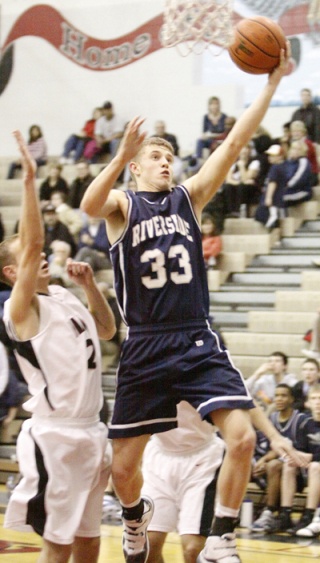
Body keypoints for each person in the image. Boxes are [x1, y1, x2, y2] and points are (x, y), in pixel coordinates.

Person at [81, 45, 300, 563]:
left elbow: (235, 142)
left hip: (196, 336)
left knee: (243, 438)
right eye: (156, 156)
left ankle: (221, 537)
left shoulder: (188, 198)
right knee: (122, 470)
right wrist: (117, 156)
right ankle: (135, 520)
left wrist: (271, 84)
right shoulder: (122, 206)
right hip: (146, 345)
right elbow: (90, 203)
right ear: (136, 167)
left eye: (169, 156)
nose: (166, 162)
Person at [0, 130, 116, 563]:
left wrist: (89, 286)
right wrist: (31, 181)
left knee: (88, 538)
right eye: (29, 256)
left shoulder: (63, 295)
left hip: (91, 429)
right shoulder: (19, 311)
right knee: (58, 543)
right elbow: (30, 244)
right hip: (56, 435)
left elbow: (106, 332)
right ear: (13, 272)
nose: (42, 253)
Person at [142, 401, 225, 563]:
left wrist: (273, 436)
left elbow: (245, 406)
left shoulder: (213, 375)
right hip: (158, 457)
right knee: (145, 548)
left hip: (203, 458)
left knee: (193, 548)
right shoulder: (142, 376)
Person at [250, 384, 308, 533]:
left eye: (283, 395)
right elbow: (272, 449)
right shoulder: (272, 418)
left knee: (274, 465)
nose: (279, 399)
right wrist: (263, 461)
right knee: (266, 465)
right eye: (277, 395)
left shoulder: (301, 420)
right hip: (280, 470)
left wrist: (270, 460)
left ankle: (269, 511)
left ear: (292, 399)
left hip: (299, 470)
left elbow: (300, 450)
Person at [271, 384, 320, 536]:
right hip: (308, 470)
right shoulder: (305, 423)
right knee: (289, 465)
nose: (318, 402)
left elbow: (310, 457)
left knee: (315, 466)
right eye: (314, 398)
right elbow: (299, 449)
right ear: (308, 403)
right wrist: (296, 457)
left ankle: (309, 514)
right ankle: (285, 513)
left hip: (315, 468)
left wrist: (312, 457)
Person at [254, 144, 287, 229]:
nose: (270, 157)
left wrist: (268, 197)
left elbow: (272, 183)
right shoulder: (282, 167)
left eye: (273, 156)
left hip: (274, 197)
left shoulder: (275, 168)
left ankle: (273, 220)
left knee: (261, 214)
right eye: (270, 155)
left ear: (280, 156)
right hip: (277, 197)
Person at [195, 96, 227, 160]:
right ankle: (198, 159)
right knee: (199, 141)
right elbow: (204, 132)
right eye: (212, 104)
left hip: (220, 139)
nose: (214, 106)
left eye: (216, 104)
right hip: (209, 139)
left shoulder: (224, 117)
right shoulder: (206, 117)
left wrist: (213, 135)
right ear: (209, 106)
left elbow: (225, 133)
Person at [282, 140, 313, 208]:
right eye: (293, 148)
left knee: (280, 198)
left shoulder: (304, 161)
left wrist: (287, 186)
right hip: (288, 190)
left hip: (302, 191)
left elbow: (300, 179)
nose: (295, 151)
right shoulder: (287, 162)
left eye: (298, 149)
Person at [289, 120, 319, 186]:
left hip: (310, 173)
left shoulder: (308, 143)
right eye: (294, 131)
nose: (296, 133)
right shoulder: (293, 143)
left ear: (303, 132)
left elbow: (304, 160)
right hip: (297, 170)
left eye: (298, 131)